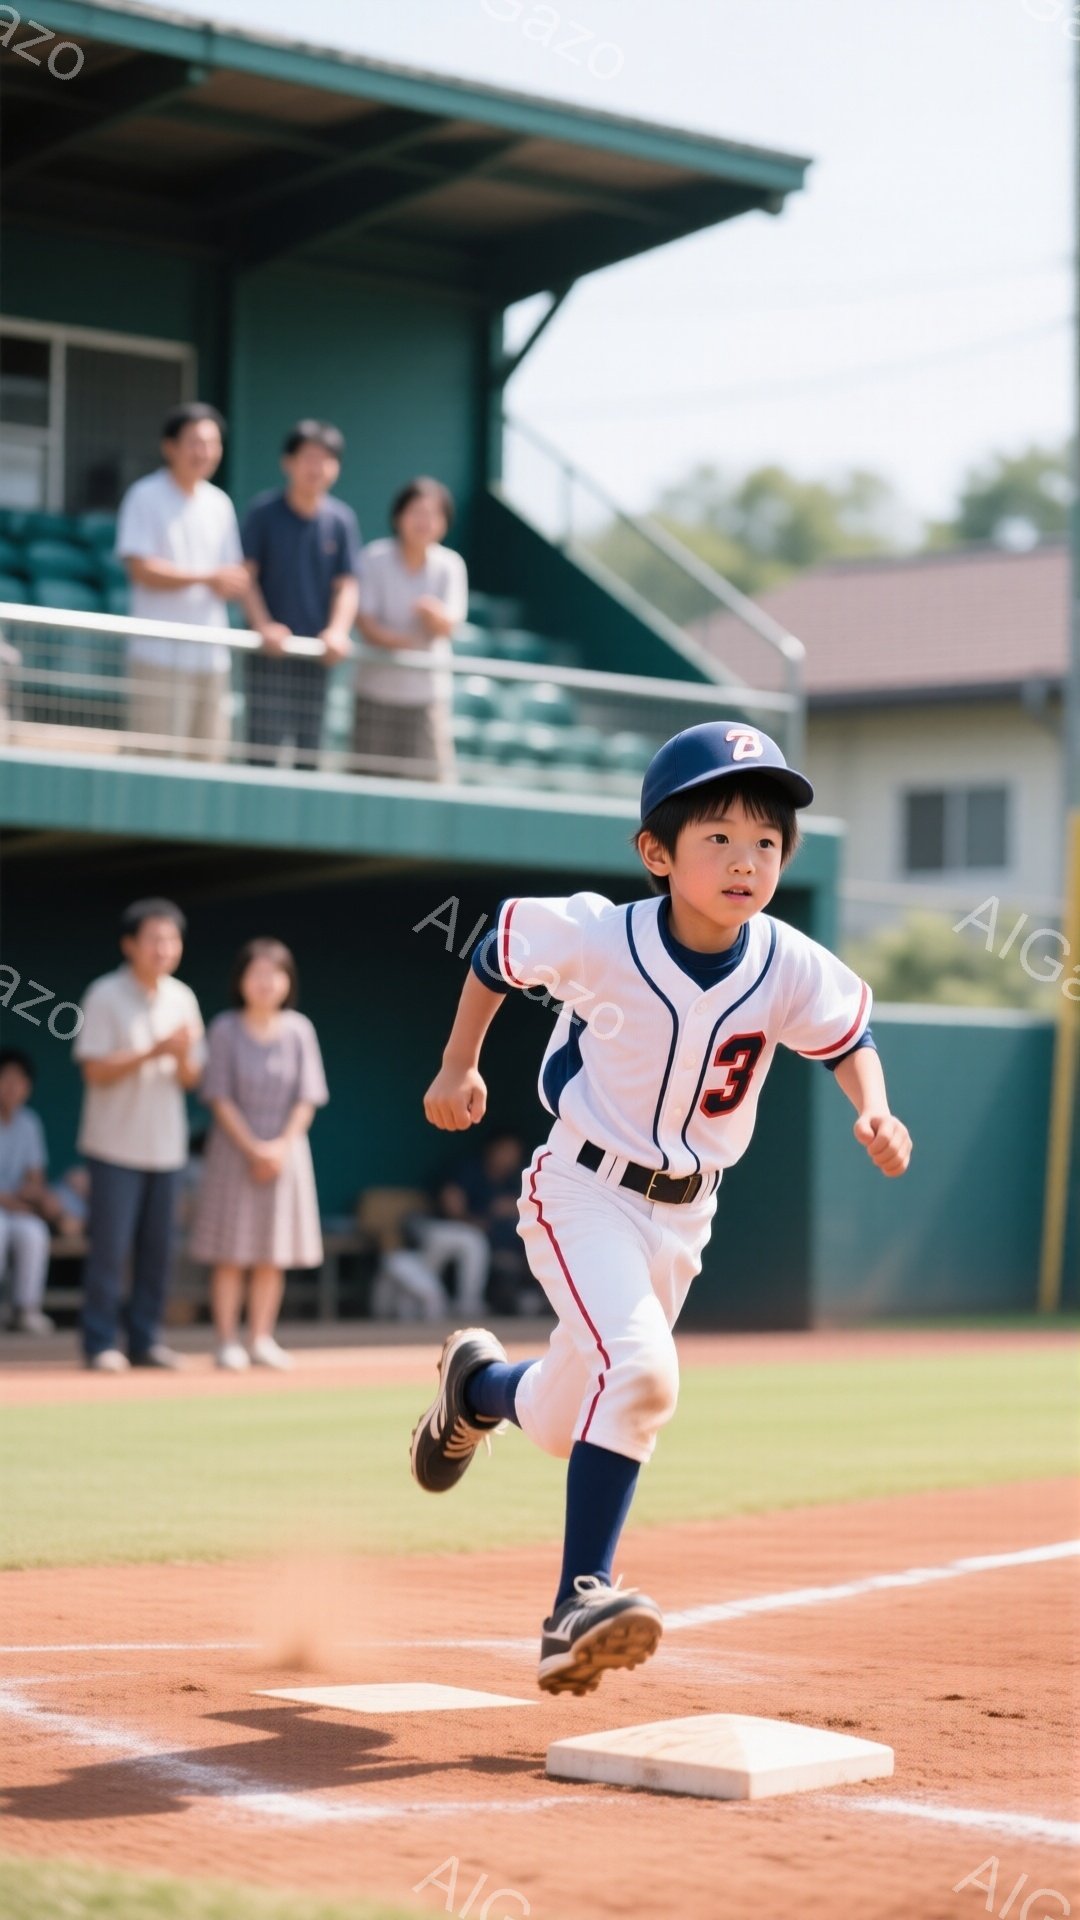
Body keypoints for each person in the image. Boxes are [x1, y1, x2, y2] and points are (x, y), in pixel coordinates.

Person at [410, 720, 913, 1697]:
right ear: (657, 852)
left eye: (766, 841)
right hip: (581, 1188)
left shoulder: (785, 960)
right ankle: (574, 1606)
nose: (746, 859)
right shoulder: (604, 936)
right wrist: (457, 1062)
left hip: (685, 1220)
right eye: (718, 836)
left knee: (568, 1413)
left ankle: (474, 1390)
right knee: (640, 1374)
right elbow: (496, 948)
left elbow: (849, 1033)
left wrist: (877, 1108)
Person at [74, 898, 205, 1372]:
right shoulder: (103, 994)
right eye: (154, 939)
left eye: (172, 940)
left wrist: (181, 1056)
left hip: (166, 1147)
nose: (164, 949)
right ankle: (100, 1341)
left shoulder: (183, 998)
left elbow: (194, 1078)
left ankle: (146, 1340)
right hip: (112, 1146)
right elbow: (94, 1069)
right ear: (129, 944)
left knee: (157, 1253)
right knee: (109, 1251)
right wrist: (154, 1050)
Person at [191, 938, 328, 1371]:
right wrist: (253, 1147)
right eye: (257, 973)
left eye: (275, 973)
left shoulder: (300, 1030)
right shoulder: (224, 1028)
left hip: (287, 1152)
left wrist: (279, 1147)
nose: (266, 982)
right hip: (234, 1153)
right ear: (241, 980)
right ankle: (227, 1340)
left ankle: (261, 1338)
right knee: (232, 1251)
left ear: (289, 981)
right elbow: (218, 1095)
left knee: (273, 1250)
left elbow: (308, 1097)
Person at [117, 402, 253, 755]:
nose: (204, 452)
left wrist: (231, 583)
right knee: (153, 760)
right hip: (156, 654)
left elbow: (232, 573)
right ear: (170, 446)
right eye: (195, 442)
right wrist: (207, 578)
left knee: (207, 761)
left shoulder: (220, 503)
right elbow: (140, 568)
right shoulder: (145, 496)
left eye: (212, 443)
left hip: (210, 658)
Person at [242, 421, 362, 763]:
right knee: (260, 754)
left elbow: (348, 584)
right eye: (309, 457)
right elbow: (246, 577)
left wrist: (338, 631)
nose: (317, 468)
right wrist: (264, 625)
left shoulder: (341, 521)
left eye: (327, 459)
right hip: (269, 655)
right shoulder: (264, 512)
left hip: (317, 658)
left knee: (311, 755)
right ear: (288, 462)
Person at [353, 476, 467, 781]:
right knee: (369, 784)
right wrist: (397, 642)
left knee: (431, 785)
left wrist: (435, 617)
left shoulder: (450, 565)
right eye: (417, 512)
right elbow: (364, 620)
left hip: (427, 696)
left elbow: (451, 624)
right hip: (375, 693)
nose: (424, 521)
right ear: (398, 516)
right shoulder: (373, 557)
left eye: (434, 514)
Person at [437, 1131, 539, 1315]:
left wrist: (513, 1208)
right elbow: (451, 1204)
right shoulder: (469, 1169)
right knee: (472, 1241)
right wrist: (476, 1221)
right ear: (493, 1150)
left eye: (514, 1152)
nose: (510, 1157)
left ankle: (528, 1296)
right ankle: (467, 1304)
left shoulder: (513, 1179)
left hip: (496, 1238)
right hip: (448, 1230)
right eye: (506, 1151)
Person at [0, 1048, 55, 1334]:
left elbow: (36, 1179)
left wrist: (35, 1195)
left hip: (17, 1208)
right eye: (5, 1078)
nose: (11, 1087)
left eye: (19, 1080)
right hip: (4, 1208)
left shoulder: (29, 1123)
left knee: (34, 1232)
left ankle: (26, 1309)